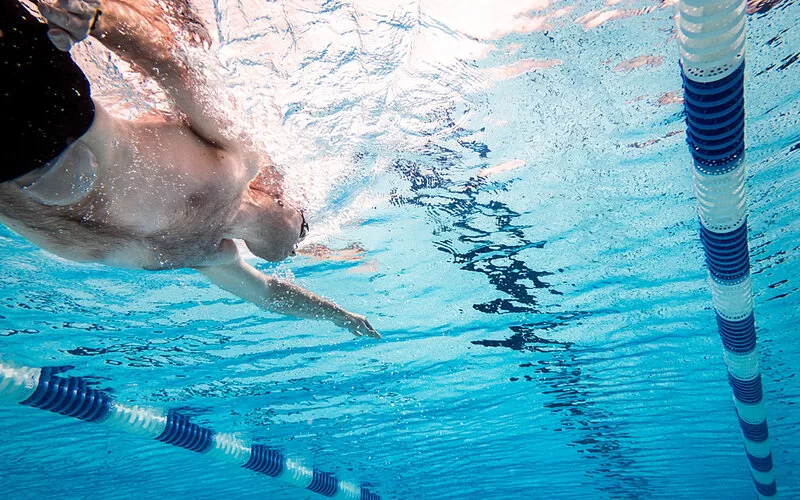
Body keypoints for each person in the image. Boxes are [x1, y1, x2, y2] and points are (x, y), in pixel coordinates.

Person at [0, 0, 380, 338]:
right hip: (46, 110)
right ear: (279, 199)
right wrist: (101, 19)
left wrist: (338, 316)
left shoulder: (209, 253)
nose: (296, 241)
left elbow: (270, 296)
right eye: (303, 226)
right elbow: (170, 65)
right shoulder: (238, 157)